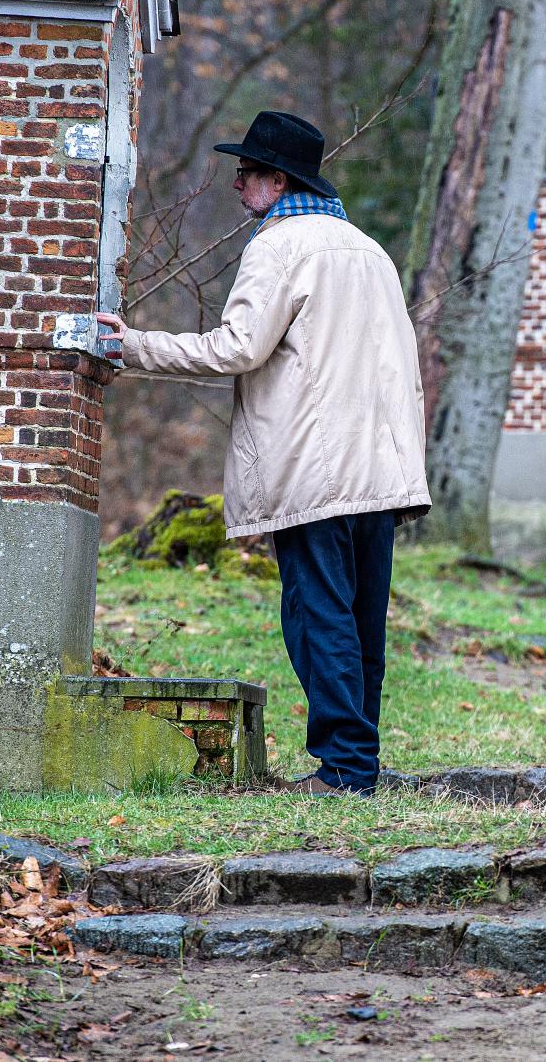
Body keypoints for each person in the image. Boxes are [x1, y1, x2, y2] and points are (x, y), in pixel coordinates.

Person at [95, 111, 431, 796]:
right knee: (362, 621)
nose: (237, 180)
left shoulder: (279, 246)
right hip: (381, 468)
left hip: (315, 466)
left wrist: (132, 344)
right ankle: (358, 760)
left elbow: (236, 348)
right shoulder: (369, 249)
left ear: (279, 181)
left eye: (247, 170)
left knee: (318, 617)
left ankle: (344, 768)